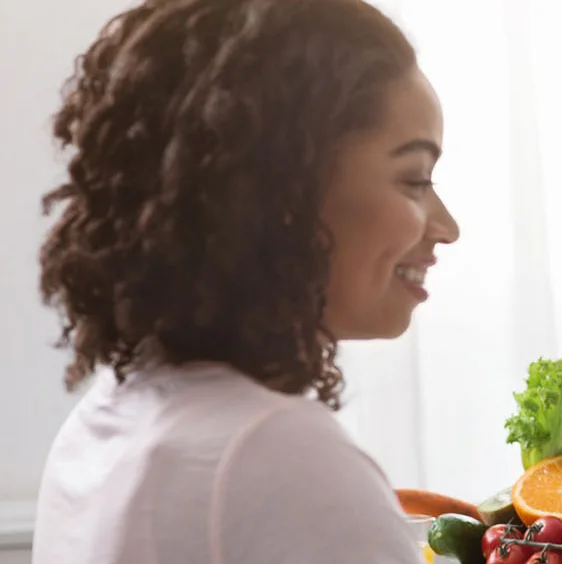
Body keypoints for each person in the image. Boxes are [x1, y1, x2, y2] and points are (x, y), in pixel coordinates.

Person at [32, 0, 458, 561]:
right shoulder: (276, 455)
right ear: (282, 193)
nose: (446, 228)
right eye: (413, 180)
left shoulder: (111, 412)